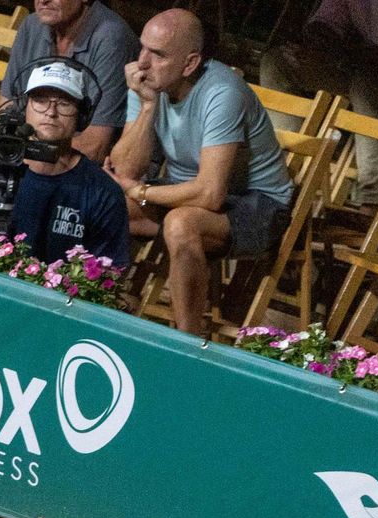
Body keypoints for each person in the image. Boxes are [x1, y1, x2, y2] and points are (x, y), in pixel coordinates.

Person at [105, 8, 295, 336]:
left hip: (259, 204)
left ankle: (188, 346)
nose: (143, 63)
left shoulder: (222, 92)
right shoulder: (146, 82)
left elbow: (210, 193)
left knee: (181, 224)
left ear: (190, 63)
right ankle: (103, 310)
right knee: (105, 201)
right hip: (187, 192)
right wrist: (148, 107)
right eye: (143, 48)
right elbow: (124, 168)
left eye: (158, 54)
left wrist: (141, 192)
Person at [0, 0, 138, 249]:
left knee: (23, 178)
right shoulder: (32, 25)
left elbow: (95, 144)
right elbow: (4, 113)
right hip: (28, 147)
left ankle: (20, 264)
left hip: (82, 162)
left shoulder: (111, 36)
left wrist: (25, 156)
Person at [0, 60, 132, 267]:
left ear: (82, 116)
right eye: (40, 100)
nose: (51, 112)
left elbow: (107, 274)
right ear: (23, 108)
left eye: (64, 103)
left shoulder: (103, 192)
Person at [259, 0, 378, 204]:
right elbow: (326, 22)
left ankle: (370, 197)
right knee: (277, 63)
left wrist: (345, 55)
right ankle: (283, 172)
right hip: (358, 65)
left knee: (367, 86)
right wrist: (315, 44)